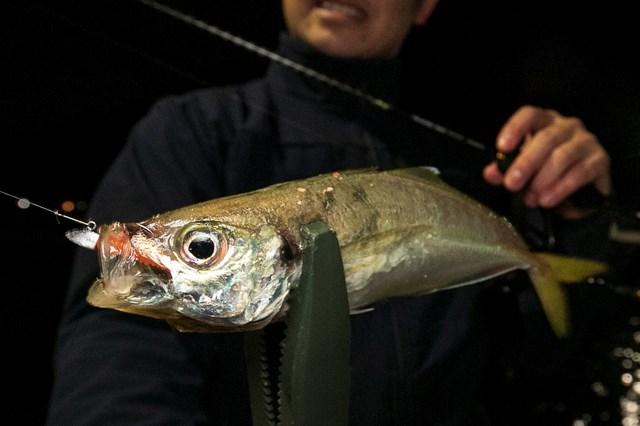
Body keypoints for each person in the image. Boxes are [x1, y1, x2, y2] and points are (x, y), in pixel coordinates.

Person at [46, 0, 613, 424]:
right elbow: (117, 356)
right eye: (203, 246)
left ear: (427, 6)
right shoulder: (192, 133)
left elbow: (540, 359)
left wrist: (577, 221)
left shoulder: (480, 164)